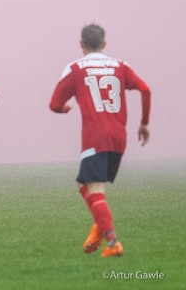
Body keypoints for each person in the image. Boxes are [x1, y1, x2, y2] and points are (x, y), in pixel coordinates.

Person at [49, 23, 151, 258]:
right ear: (104, 44)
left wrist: (64, 109)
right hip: (119, 138)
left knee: (94, 189)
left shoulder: (75, 69)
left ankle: (113, 240)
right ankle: (100, 225)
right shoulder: (121, 66)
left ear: (81, 44)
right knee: (83, 185)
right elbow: (145, 90)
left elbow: (54, 104)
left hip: (95, 137)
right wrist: (144, 123)